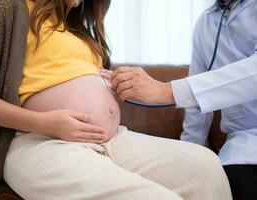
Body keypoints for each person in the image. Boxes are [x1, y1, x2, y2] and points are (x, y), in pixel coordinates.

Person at [0, 0, 232, 199]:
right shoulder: (8, 10)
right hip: (42, 142)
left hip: (115, 140)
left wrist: (113, 85)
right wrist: (44, 122)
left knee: (206, 166)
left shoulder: (81, 32)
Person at [104, 0, 257, 199]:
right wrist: (186, 157)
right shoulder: (205, 24)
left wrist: (164, 90)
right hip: (242, 149)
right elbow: (196, 111)